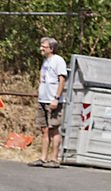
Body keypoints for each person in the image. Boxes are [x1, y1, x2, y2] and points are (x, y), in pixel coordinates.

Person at [29, 37, 68, 168]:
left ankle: (54, 159)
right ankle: (43, 158)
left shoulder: (58, 61)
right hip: (43, 98)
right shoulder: (45, 61)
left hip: (53, 100)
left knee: (54, 129)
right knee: (44, 129)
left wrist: (56, 98)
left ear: (51, 48)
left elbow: (62, 80)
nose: (41, 48)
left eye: (44, 47)